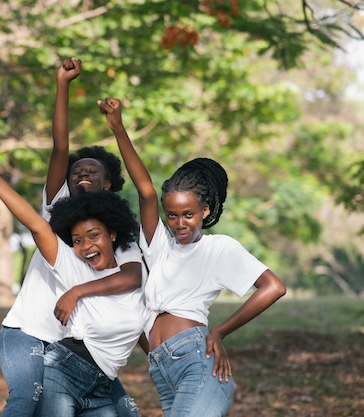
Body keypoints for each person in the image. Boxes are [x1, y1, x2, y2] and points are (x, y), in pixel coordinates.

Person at [97, 97, 288, 417]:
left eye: (188, 214)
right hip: (163, 372)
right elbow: (145, 190)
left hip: (196, 364)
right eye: (171, 215)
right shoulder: (158, 246)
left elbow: (273, 287)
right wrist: (118, 127)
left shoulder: (218, 248)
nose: (179, 223)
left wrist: (219, 332)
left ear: (205, 210)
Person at [0, 58, 142, 417]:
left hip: (80, 342)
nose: (81, 176)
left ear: (109, 184)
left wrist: (77, 291)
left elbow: (132, 278)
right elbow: (60, 146)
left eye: (92, 171)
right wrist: (62, 84)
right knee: (25, 400)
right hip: (31, 328)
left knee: (126, 410)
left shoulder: (118, 236)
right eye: (76, 173)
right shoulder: (57, 209)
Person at [0, 148, 146, 417]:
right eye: (77, 240)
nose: (86, 245)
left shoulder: (129, 268)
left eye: (93, 236)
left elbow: (141, 323)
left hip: (97, 379)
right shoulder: (73, 266)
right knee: (25, 397)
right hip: (48, 349)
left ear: (112, 234)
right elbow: (38, 226)